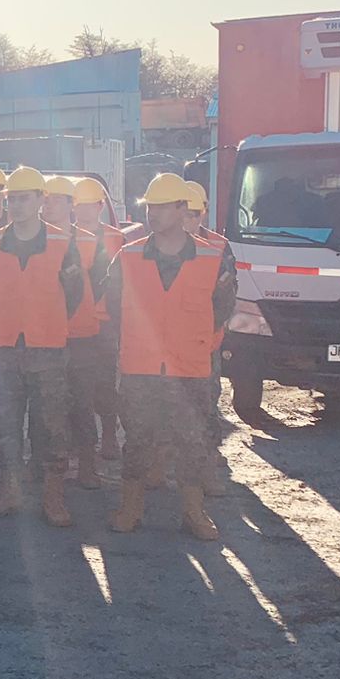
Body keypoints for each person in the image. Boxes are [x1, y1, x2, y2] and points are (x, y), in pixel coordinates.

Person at [106, 174, 237, 540]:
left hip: (189, 368)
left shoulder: (213, 257)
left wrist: (198, 345)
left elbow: (222, 308)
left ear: (183, 209)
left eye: (163, 206)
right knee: (137, 440)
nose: (154, 213)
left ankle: (193, 513)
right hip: (140, 367)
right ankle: (130, 508)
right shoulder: (128, 256)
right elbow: (112, 305)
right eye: (150, 206)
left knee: (192, 442)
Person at [0, 166, 85, 526]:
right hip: (4, 347)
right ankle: (10, 491)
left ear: (41, 200)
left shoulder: (62, 244)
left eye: (24, 198)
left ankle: (53, 496)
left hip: (48, 347)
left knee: (51, 423)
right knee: (6, 422)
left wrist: (44, 322)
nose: (17, 205)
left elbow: (74, 293)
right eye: (12, 199)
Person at [41, 177, 112, 491]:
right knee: (44, 405)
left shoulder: (89, 242)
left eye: (57, 199)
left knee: (82, 402)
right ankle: (44, 465)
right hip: (42, 336)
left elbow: (100, 284)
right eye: (47, 199)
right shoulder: (34, 240)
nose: (49, 204)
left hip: (82, 335)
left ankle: (87, 464)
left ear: (71, 204)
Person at [185, 179, 235, 495]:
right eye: (183, 212)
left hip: (204, 342)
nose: (189, 219)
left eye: (194, 212)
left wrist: (210, 334)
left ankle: (207, 456)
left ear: (203, 212)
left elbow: (226, 297)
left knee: (206, 400)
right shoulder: (154, 247)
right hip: (166, 343)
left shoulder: (218, 247)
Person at [74, 176, 127, 462]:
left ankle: (108, 436)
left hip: (105, 322)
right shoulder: (64, 236)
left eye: (89, 206)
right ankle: (81, 444)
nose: (84, 211)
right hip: (75, 324)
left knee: (105, 383)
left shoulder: (116, 238)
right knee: (77, 385)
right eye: (79, 206)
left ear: (99, 206)